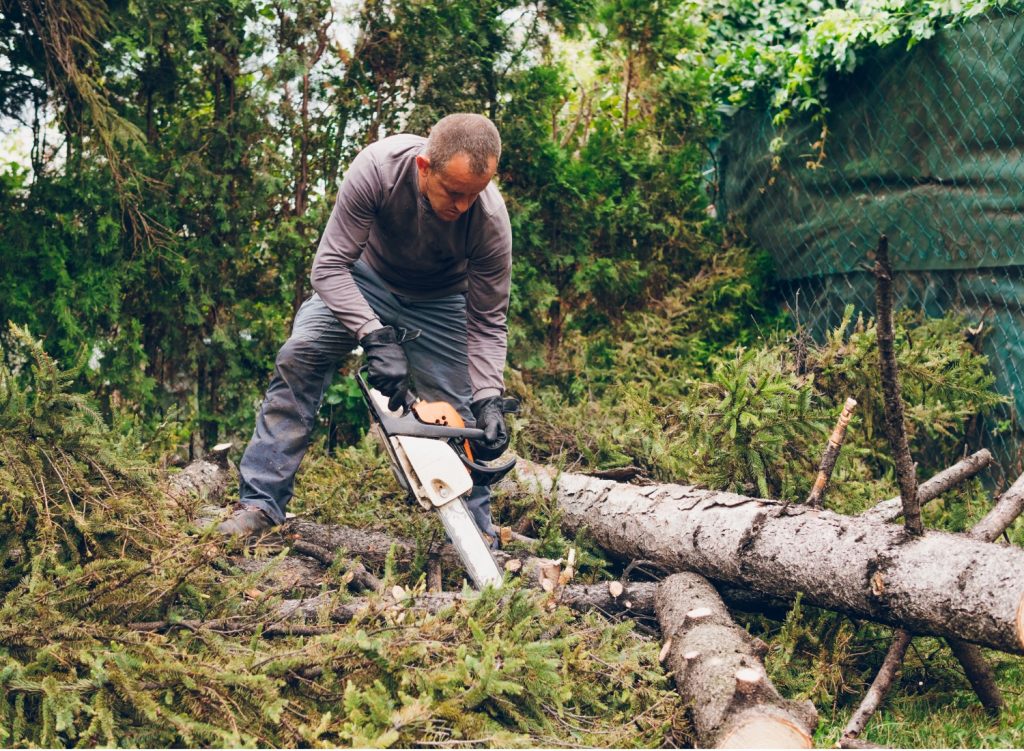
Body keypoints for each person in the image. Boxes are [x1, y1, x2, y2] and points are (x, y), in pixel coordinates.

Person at [218, 113, 513, 541]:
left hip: (441, 302)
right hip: (360, 281)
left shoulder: (489, 219)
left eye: (475, 194)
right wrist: (373, 336)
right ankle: (261, 504)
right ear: (424, 167)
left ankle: (475, 536)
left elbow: (486, 320)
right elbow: (329, 266)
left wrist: (489, 398)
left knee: (462, 415)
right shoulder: (378, 169)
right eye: (454, 192)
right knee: (299, 354)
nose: (464, 207)